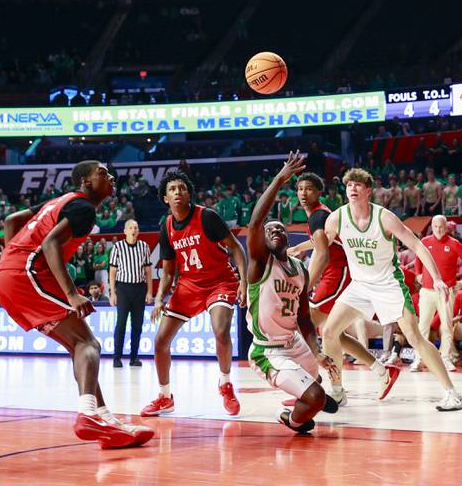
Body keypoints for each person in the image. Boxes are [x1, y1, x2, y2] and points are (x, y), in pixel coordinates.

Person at [0, 160, 153, 449]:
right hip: (25, 275)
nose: (111, 177)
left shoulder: (58, 201)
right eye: (103, 173)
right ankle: (89, 413)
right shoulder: (83, 208)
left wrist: (11, 256)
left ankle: (105, 420)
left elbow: (11, 221)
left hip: (13, 274)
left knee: (80, 344)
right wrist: (71, 294)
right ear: (86, 182)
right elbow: (52, 244)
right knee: (88, 345)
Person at [310, 168, 462, 411]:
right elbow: (320, 247)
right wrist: (294, 252)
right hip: (360, 285)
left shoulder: (384, 217)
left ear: (368, 190)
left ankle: (451, 392)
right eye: (349, 185)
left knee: (414, 337)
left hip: (389, 284)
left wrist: (436, 278)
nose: (353, 188)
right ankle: (338, 391)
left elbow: (417, 245)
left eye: (358, 185)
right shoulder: (337, 218)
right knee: (329, 331)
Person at [246, 152, 340, 433]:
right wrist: (279, 179)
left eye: (280, 229)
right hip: (268, 350)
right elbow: (254, 223)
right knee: (315, 398)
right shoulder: (260, 264)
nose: (274, 230)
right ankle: (292, 419)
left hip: (295, 343)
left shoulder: (300, 268)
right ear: (262, 240)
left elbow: (304, 319)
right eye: (269, 230)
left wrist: (317, 351)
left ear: (289, 237)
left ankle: (308, 396)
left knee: (317, 387)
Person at [142, 169, 247, 417]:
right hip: (189, 285)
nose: (177, 192)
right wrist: (159, 298)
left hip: (220, 281)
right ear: (165, 198)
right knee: (160, 341)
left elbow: (235, 248)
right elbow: (168, 271)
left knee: (221, 330)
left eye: (182, 188)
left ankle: (225, 384)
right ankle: (165, 397)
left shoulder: (207, 216)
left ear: (189, 193)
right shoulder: (166, 226)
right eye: (172, 189)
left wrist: (243, 280)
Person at [290, 170, 385, 403]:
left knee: (306, 324)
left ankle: (314, 386)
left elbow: (322, 254)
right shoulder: (318, 215)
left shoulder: (318, 216)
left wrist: (305, 286)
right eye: (300, 189)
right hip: (337, 271)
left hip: (339, 271)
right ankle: (382, 370)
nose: (303, 193)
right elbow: (322, 242)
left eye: (309, 189)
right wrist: (299, 249)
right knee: (332, 333)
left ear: (319, 193)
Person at [412, 215, 462, 372]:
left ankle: (446, 358)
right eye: (435, 227)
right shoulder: (425, 242)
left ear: (446, 227)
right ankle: (419, 358)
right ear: (432, 227)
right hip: (427, 290)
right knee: (422, 326)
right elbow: (418, 258)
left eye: (441, 226)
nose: (439, 230)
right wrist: (418, 273)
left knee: (447, 326)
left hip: (446, 291)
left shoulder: (454, 244)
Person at [109, 219, 152, 368]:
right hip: (123, 289)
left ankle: (134, 357)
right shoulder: (118, 247)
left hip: (139, 289)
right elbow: (112, 271)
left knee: (137, 325)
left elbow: (148, 271)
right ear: (125, 231)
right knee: (121, 324)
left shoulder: (144, 246)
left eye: (136, 227)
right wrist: (112, 292)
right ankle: (117, 357)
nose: (134, 230)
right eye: (131, 228)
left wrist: (149, 292)